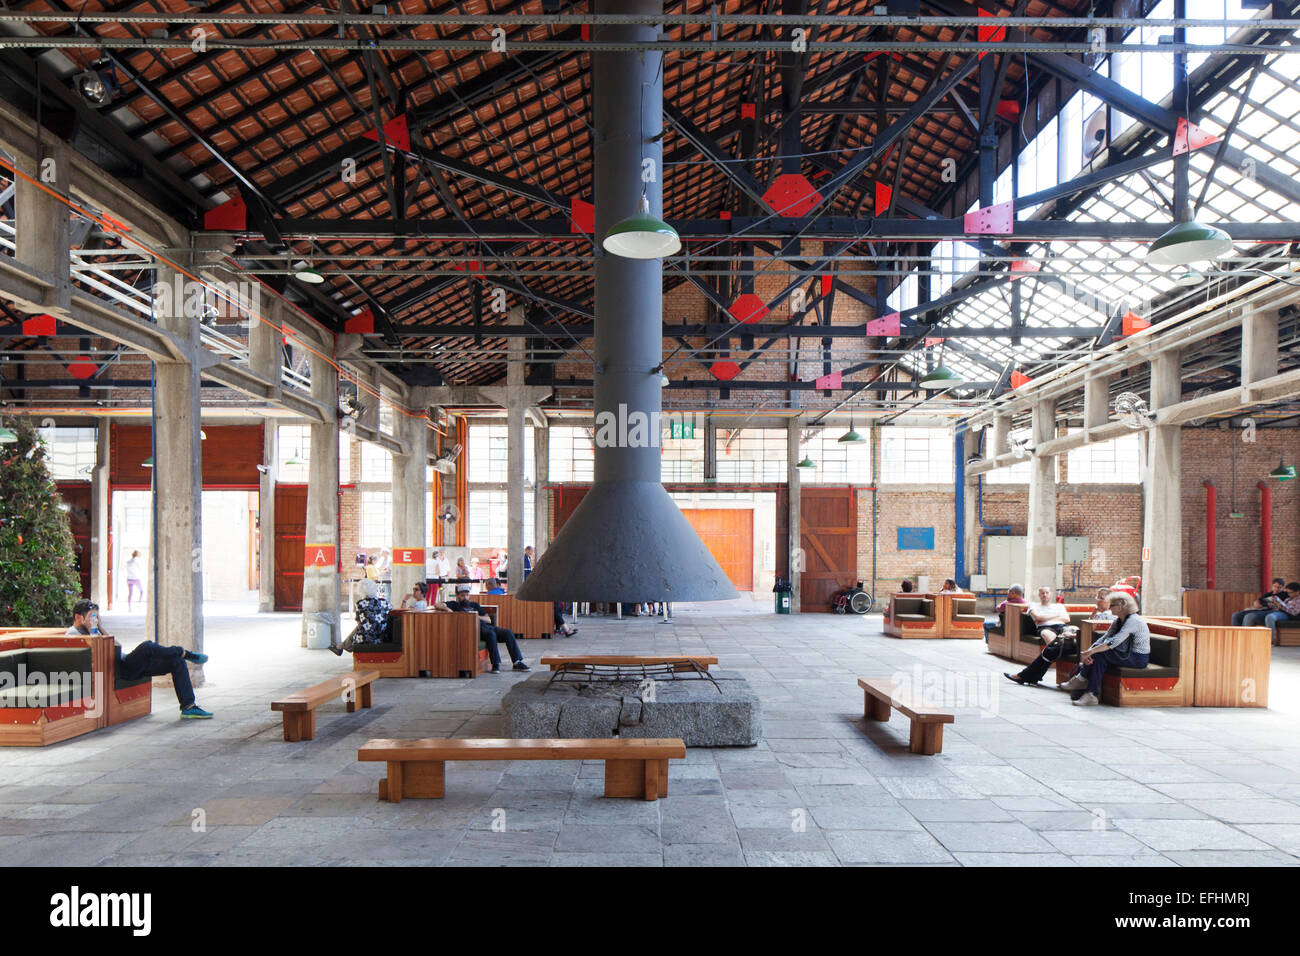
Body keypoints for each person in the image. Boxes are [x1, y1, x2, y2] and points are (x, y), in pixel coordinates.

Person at [66, 599, 212, 719]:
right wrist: (93, 632)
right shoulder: (73, 634)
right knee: (146, 646)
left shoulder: (96, 631)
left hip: (125, 663)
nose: (94, 621)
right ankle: (184, 652)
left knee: (176, 662)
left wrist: (101, 628)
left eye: (96, 617)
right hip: (118, 670)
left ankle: (188, 706)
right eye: (92, 617)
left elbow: (118, 646)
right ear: (78, 617)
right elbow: (95, 654)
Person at [1061, 592, 1150, 706]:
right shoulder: (1118, 620)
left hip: (1137, 658)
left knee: (1100, 654)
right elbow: (1105, 637)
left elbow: (1113, 642)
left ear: (1120, 606)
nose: (1109, 607)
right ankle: (1091, 694)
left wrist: (1090, 652)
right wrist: (1090, 651)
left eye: (1111, 605)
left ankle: (1082, 680)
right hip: (1125, 654)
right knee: (1099, 658)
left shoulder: (1134, 620)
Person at [438, 584, 530, 673]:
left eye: (467, 595)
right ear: (457, 596)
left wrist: (476, 616)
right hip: (474, 630)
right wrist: (448, 610)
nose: (465, 597)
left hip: (486, 626)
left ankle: (517, 662)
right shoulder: (453, 605)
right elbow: (437, 604)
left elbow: (488, 619)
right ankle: (495, 663)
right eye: (462, 595)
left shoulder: (474, 605)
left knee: (508, 633)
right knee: (490, 634)